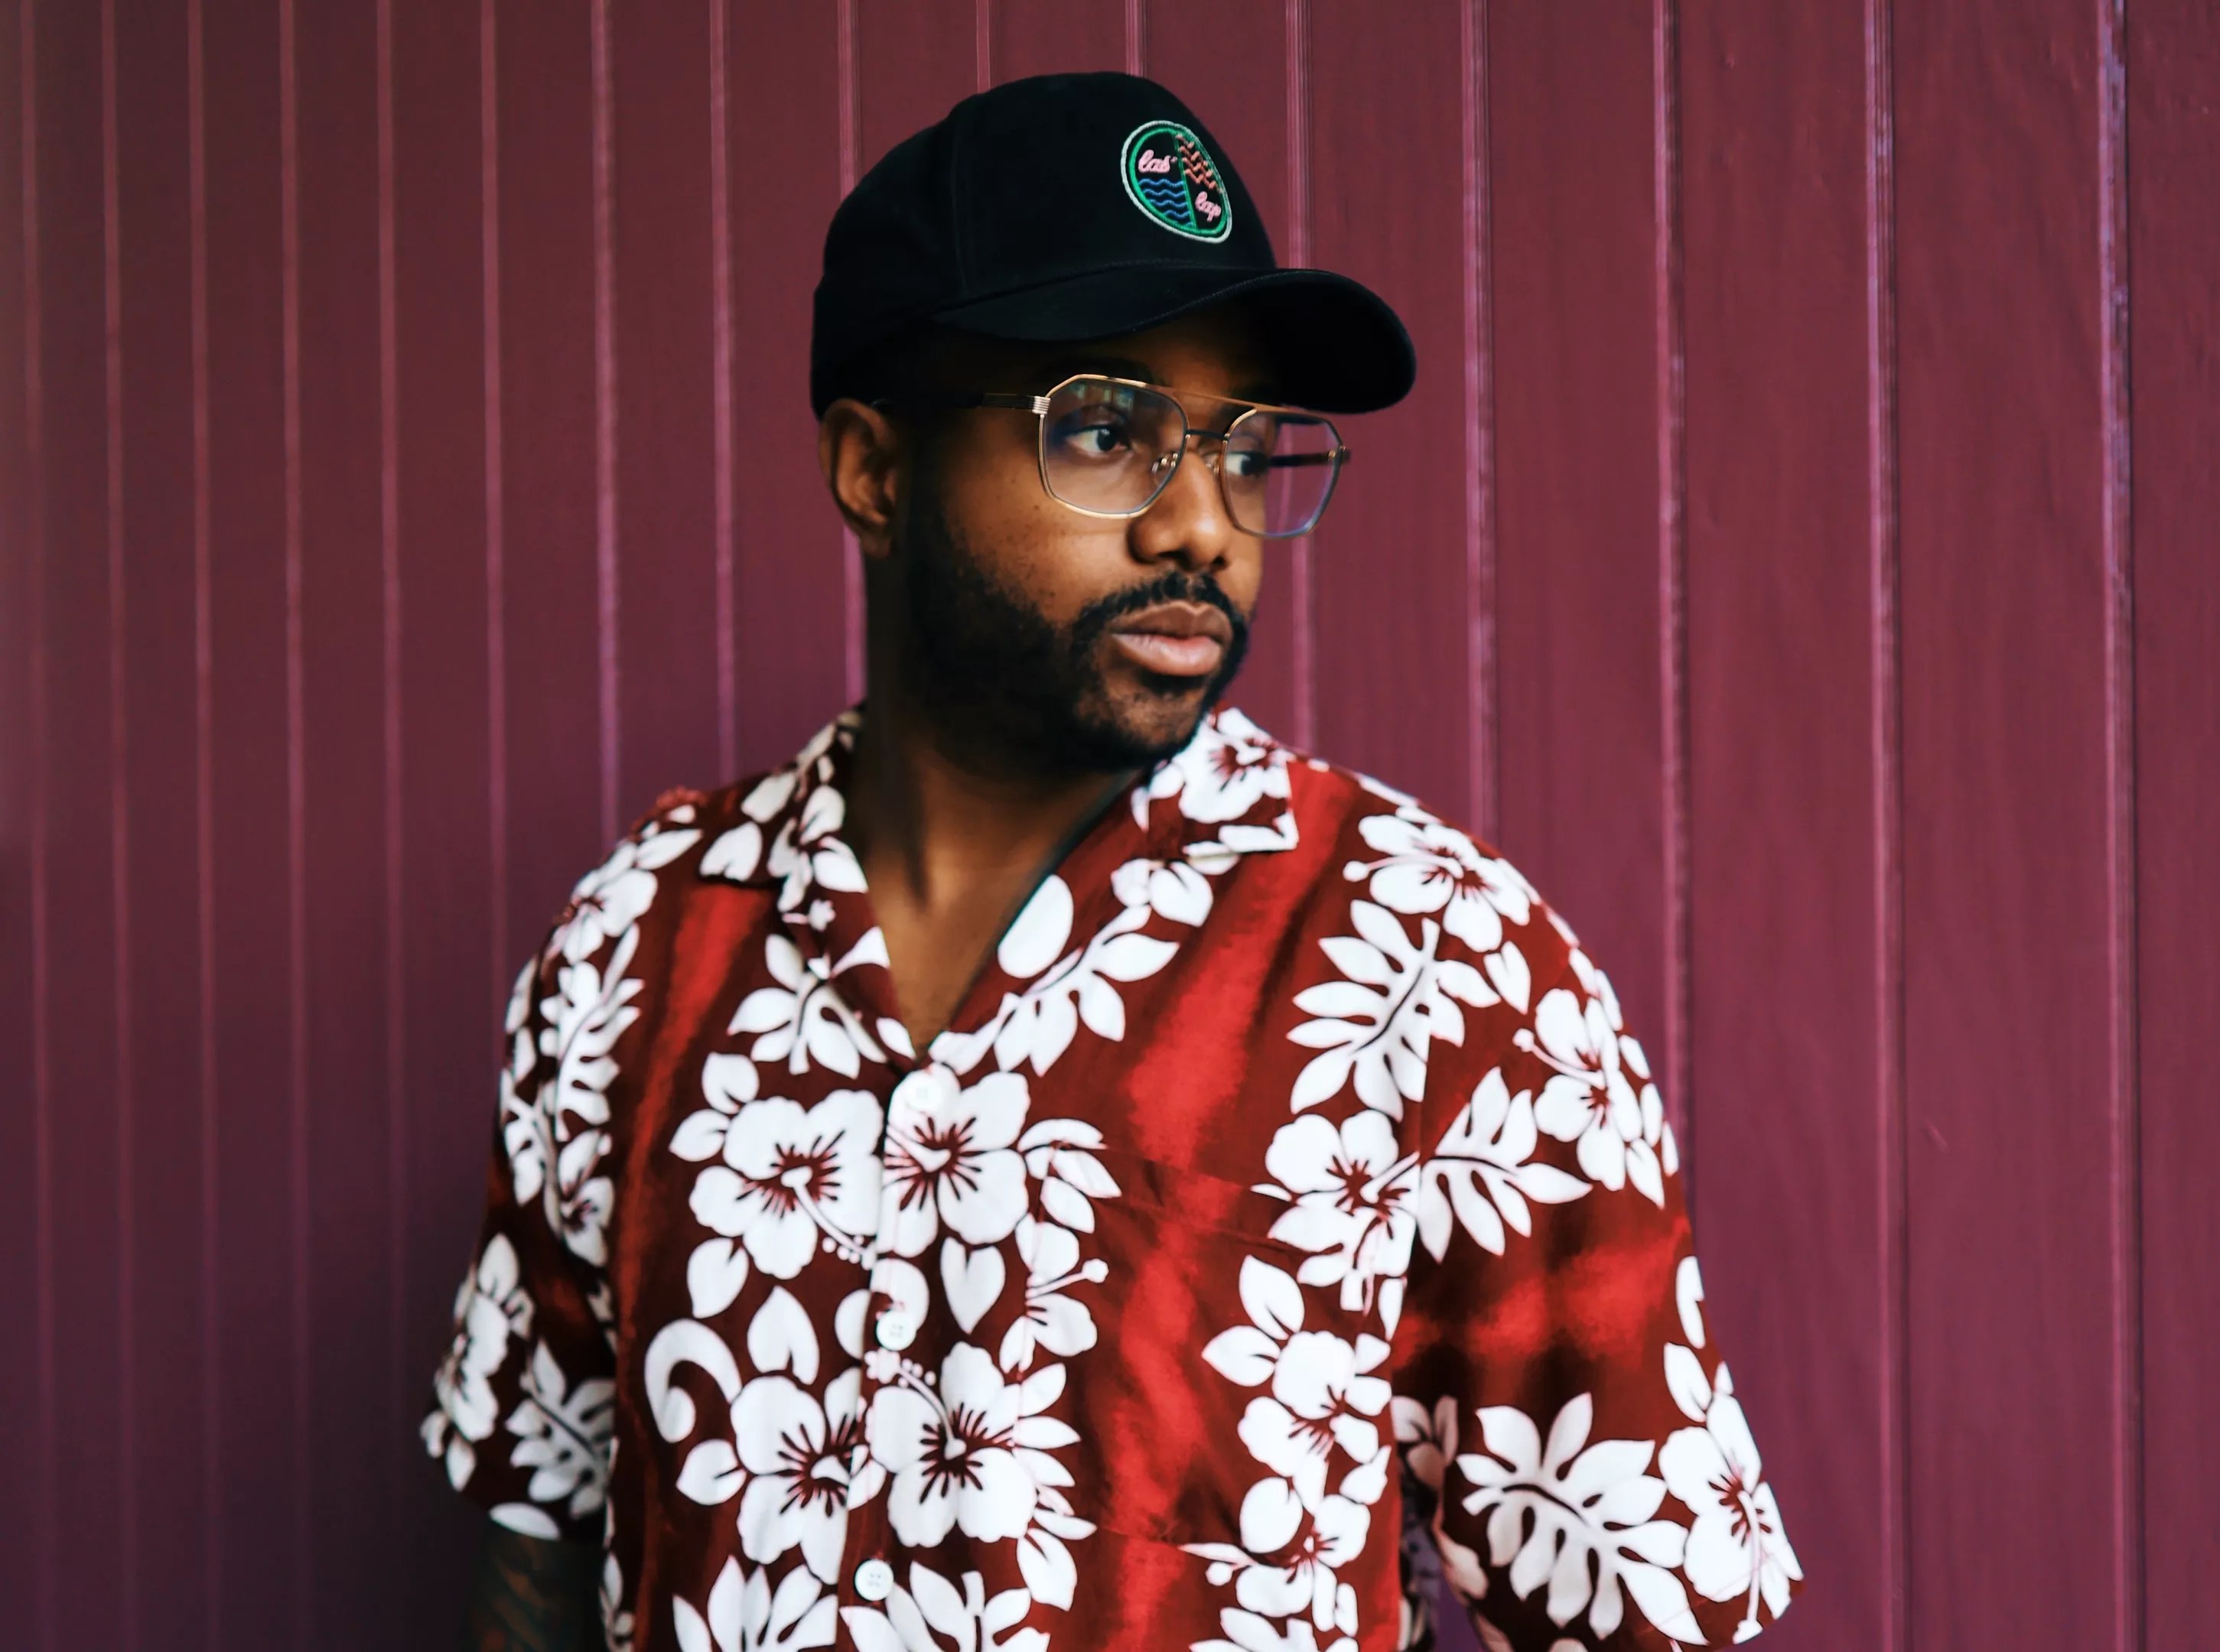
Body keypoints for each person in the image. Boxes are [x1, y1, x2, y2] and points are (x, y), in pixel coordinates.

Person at [423, 71, 1801, 1652]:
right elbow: (538, 1537)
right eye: (1103, 429)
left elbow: (1651, 1606)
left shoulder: (1435, 965)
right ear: (875, 472)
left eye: (1244, 449)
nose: (1202, 527)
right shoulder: (636, 945)